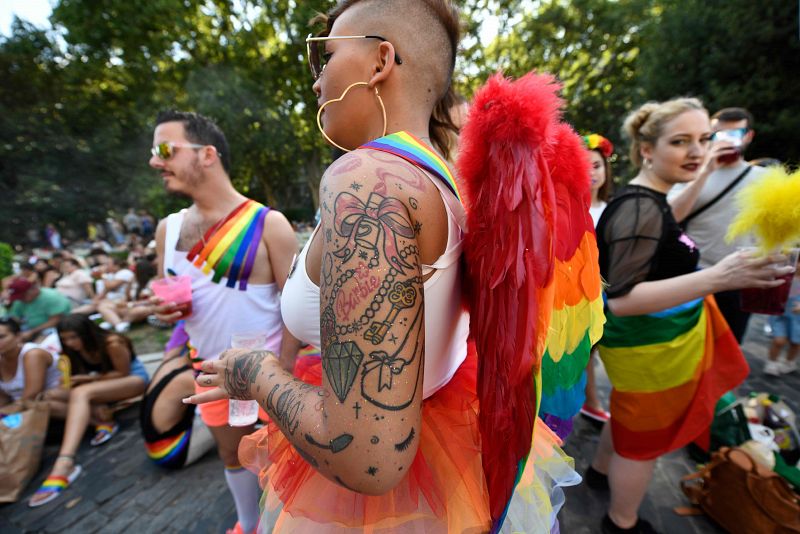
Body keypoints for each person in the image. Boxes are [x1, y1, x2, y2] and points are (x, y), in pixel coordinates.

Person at [186, 2, 587, 532]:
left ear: (380, 61)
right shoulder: (450, 180)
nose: (316, 80)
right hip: (449, 458)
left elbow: (367, 458)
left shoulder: (367, 178)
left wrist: (255, 374)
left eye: (324, 56)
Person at [588, 98, 793, 534]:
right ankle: (621, 522)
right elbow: (621, 299)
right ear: (647, 149)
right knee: (643, 443)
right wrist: (719, 276)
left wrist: (700, 175)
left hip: (653, 345)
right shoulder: (639, 206)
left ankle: (601, 472)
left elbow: (665, 223)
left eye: (705, 139)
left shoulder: (652, 199)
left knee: (630, 422)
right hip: (647, 346)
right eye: (681, 141)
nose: (698, 150)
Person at [148, 110, 297, 534]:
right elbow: (171, 296)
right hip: (210, 374)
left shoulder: (270, 224)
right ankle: (248, 525)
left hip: (270, 374)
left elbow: (294, 308)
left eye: (164, 150)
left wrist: (282, 373)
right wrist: (165, 311)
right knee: (233, 459)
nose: (155, 162)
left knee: (282, 463)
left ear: (207, 154)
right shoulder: (168, 230)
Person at [669, 107, 769, 343]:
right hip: (693, 278)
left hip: (740, 281)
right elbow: (668, 217)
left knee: (728, 352)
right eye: (719, 134)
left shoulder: (765, 179)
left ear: (748, 136)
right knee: (688, 353)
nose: (727, 141)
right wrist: (705, 171)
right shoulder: (690, 173)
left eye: (734, 134)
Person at [28, 314, 148, 507]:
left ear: (87, 333)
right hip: (98, 386)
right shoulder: (71, 350)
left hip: (132, 380)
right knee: (48, 397)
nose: (70, 342)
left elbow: (121, 372)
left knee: (82, 393)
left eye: (74, 337)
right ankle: (101, 418)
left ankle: (65, 461)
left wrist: (86, 380)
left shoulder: (112, 342)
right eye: (65, 338)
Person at [140, 322, 215, 469]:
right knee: (227, 416)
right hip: (169, 452)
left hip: (153, 445)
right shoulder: (188, 379)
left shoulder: (172, 362)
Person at [581, 133, 614, 423]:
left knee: (592, 353)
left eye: (597, 166)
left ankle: (591, 400)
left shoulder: (614, 210)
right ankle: (590, 400)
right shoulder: (567, 209)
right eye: (585, 165)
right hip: (575, 296)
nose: (592, 173)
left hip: (605, 294)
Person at [0, 317, 62, 406]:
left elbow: (31, 396)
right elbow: (3, 398)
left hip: (50, 406)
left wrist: (4, 414)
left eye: (1, 337)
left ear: (18, 337)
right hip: (20, 410)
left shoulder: (33, 354)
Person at [764, 257, 800, 375]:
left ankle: (789, 362)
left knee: (796, 342)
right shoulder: (786, 276)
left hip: (797, 318)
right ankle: (772, 362)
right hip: (781, 314)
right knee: (778, 340)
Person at [7, 277, 72, 342]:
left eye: (22, 296)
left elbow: (55, 321)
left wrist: (31, 332)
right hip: (29, 328)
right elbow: (14, 317)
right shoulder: (20, 301)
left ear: (32, 290)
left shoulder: (51, 297)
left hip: (53, 328)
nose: (20, 299)